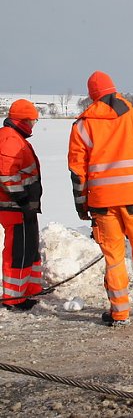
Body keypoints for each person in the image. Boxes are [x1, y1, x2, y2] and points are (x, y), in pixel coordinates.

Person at [67, 71, 133, 326]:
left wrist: (81, 204)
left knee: (113, 258)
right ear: (115, 89)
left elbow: (77, 172)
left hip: (102, 203)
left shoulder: (82, 126)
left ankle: (119, 313)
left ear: (92, 95)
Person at [0, 100, 44, 311]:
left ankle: (31, 289)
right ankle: (14, 297)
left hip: (23, 206)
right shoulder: (9, 139)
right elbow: (6, 174)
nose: (33, 125)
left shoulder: (15, 137)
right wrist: (23, 199)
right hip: (14, 206)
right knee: (19, 251)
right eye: (32, 121)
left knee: (30, 248)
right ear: (23, 120)